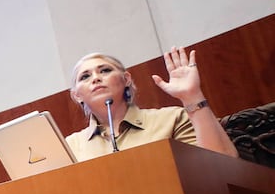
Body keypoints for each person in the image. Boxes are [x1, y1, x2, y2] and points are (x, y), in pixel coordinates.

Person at [66, 46, 238, 160]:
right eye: (85, 76)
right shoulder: (70, 147)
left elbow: (224, 166)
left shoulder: (171, 119)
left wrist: (192, 96)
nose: (96, 78)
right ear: (77, 96)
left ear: (126, 79)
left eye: (105, 70)